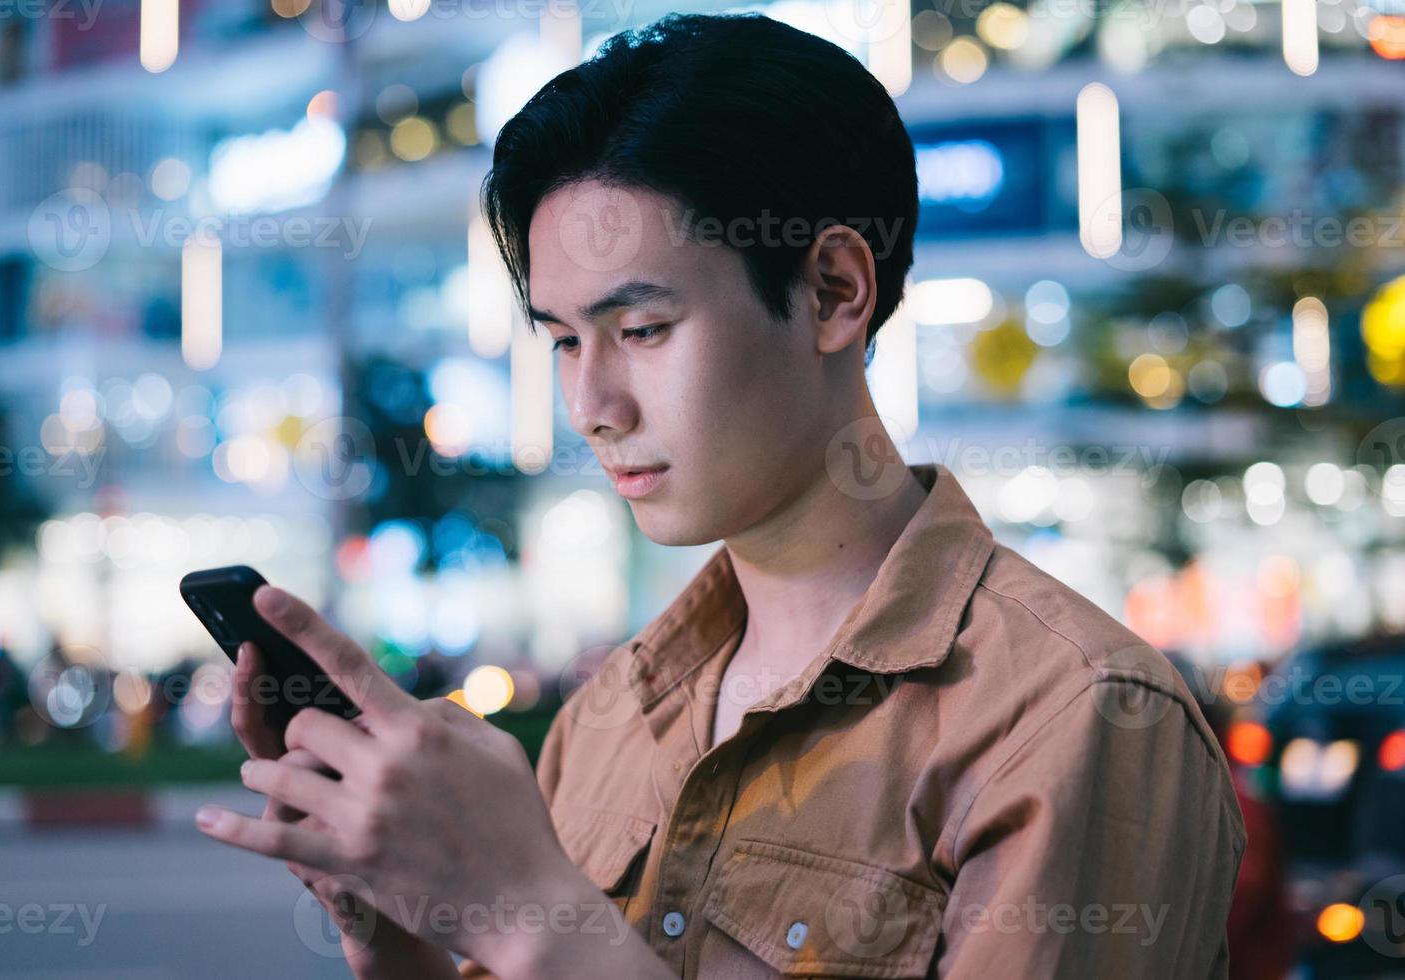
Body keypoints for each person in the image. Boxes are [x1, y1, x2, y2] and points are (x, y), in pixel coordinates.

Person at [198, 12, 1246, 978]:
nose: (592, 402)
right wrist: (406, 922)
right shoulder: (611, 714)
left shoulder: (1077, 716)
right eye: (564, 340)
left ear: (834, 290)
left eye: (642, 330)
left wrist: (531, 911)